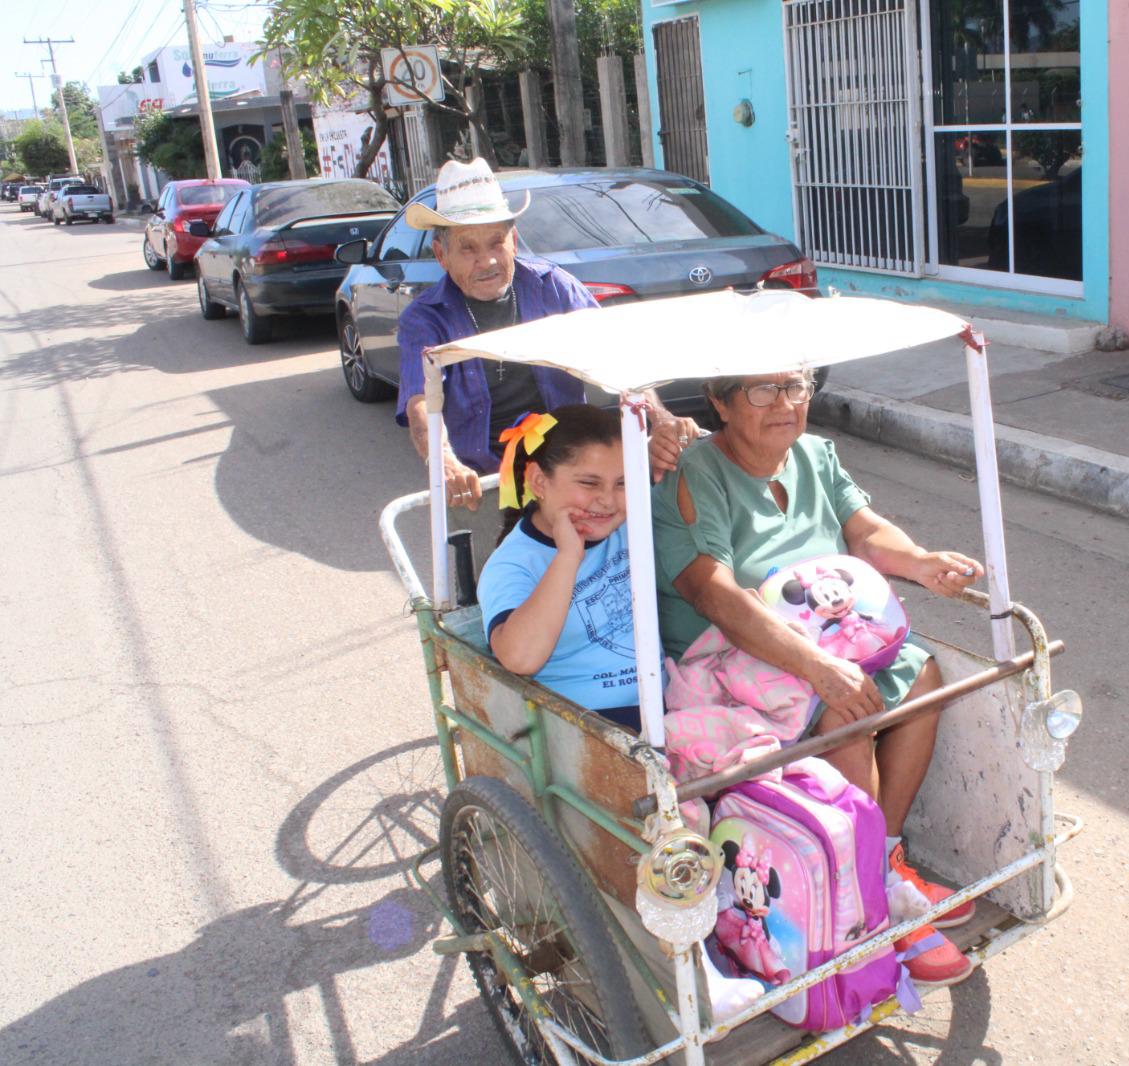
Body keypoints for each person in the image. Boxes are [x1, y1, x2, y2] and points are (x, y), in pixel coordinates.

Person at [650, 369, 985, 986]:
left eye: (795, 387)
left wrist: (920, 562)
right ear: (720, 404)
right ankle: (869, 906)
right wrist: (818, 668)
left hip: (824, 632)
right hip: (729, 649)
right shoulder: (692, 474)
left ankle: (878, 858)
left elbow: (864, 530)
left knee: (923, 675)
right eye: (760, 390)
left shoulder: (813, 453)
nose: (784, 403)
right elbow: (712, 593)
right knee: (846, 712)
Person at [396, 157, 691, 537]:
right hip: (485, 483)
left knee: (600, 576)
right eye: (467, 248)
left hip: (570, 473)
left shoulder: (553, 286)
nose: (486, 260)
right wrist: (445, 463)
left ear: (513, 242)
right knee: (500, 587)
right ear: (441, 255)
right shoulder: (425, 318)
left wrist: (661, 418)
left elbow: (617, 354)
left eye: (496, 243)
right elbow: (420, 402)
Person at [478, 406, 643, 733]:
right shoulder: (512, 564)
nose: (608, 500)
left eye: (622, 483)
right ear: (539, 481)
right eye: (589, 483)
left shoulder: (630, 526)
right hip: (585, 728)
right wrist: (568, 557)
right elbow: (520, 658)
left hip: (664, 703)